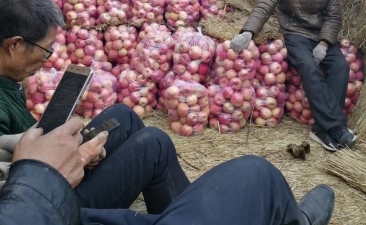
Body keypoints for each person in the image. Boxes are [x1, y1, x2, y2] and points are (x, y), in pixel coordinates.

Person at [0, 0, 190, 212]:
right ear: (15, 44)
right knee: (155, 145)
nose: (47, 60)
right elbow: (13, 191)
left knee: (124, 115)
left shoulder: (7, 79)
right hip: (44, 205)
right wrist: (74, 158)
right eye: (46, 50)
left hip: (43, 175)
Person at [0, 118, 335, 225]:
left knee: (141, 130)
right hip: (30, 205)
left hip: (27, 202)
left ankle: (178, 214)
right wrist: (38, 174)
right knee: (255, 174)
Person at [230, 0, 356, 152]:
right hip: (295, 33)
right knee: (308, 67)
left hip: (321, 36)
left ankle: (321, 129)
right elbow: (265, 5)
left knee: (340, 66)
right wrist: (248, 31)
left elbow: (334, 16)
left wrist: (325, 43)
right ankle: (337, 128)